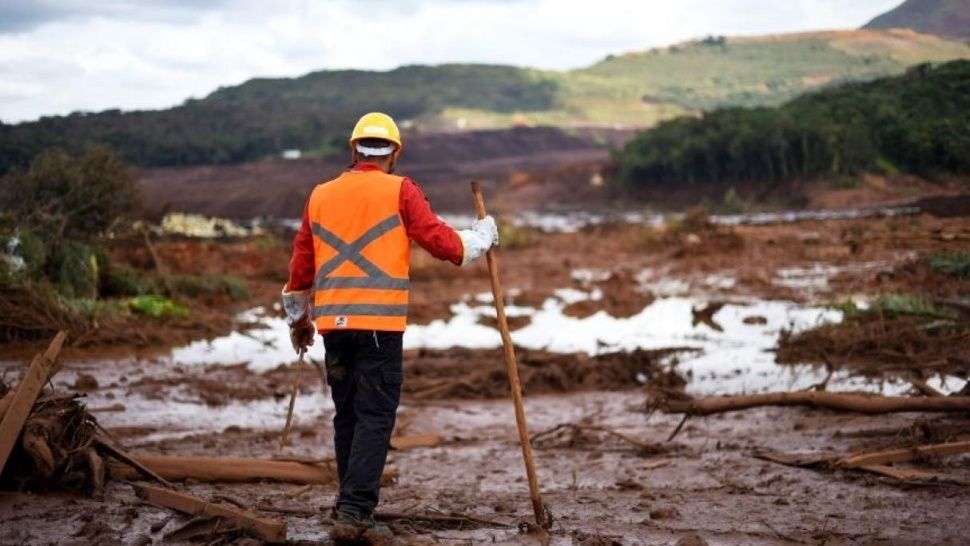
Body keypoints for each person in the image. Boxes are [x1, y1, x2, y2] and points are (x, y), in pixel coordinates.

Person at [281, 112, 498, 543]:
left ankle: (349, 503)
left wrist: (298, 321)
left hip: (334, 330)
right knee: (375, 416)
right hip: (379, 328)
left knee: (348, 415)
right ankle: (356, 513)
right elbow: (445, 245)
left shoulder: (321, 195)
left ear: (353, 149)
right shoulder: (402, 190)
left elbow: (301, 266)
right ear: (395, 152)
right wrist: (483, 237)